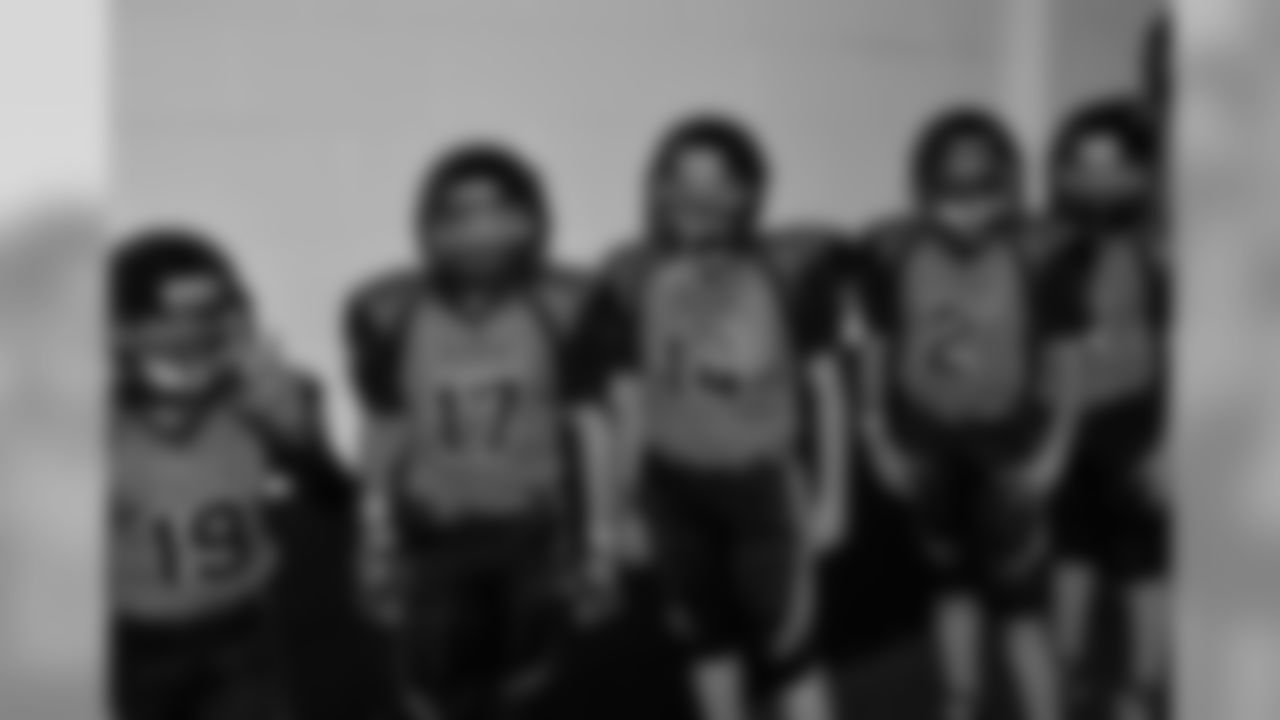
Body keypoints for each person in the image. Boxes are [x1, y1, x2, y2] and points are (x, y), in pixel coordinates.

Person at [579, 114, 847, 720]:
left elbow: (827, 388)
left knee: (793, 651)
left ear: (746, 190)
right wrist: (621, 506)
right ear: (660, 186)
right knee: (705, 644)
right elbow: (629, 403)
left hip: (762, 485)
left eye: (717, 180)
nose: (699, 196)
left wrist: (835, 498)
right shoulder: (630, 274)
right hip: (673, 488)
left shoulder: (786, 268)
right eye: (684, 179)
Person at [345, 144, 615, 720]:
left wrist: (602, 539)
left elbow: (591, 427)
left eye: (498, 211)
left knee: (526, 682)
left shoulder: (563, 303)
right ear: (432, 225)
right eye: (461, 214)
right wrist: (374, 537)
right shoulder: (390, 310)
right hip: (435, 532)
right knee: (431, 691)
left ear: (530, 219)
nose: (480, 231)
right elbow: (384, 427)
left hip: (530, 528)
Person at [855, 108, 1074, 720]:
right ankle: (960, 699)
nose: (968, 209)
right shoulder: (896, 254)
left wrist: (1056, 449)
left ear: (1005, 185)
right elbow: (876, 348)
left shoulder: (1036, 255)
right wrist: (876, 435)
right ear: (927, 187)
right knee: (950, 586)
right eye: (953, 192)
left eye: (982, 189)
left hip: (1008, 446)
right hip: (928, 442)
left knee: (1022, 606)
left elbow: (1065, 359)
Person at [110, 228, 349, 720]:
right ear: (122, 329)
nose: (190, 335)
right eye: (166, 318)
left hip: (243, 632)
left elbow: (334, 498)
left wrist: (298, 437)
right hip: (136, 644)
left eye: (208, 314)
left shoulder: (262, 397)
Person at [1044, 99, 1171, 720]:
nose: (1098, 178)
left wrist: (1172, 443)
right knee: (1073, 552)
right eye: (1084, 164)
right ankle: (1066, 667)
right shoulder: (1059, 248)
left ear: (1140, 172)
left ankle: (1142, 683)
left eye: (1113, 164)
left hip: (1138, 425)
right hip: (1072, 427)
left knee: (1141, 565)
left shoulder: (1159, 253)